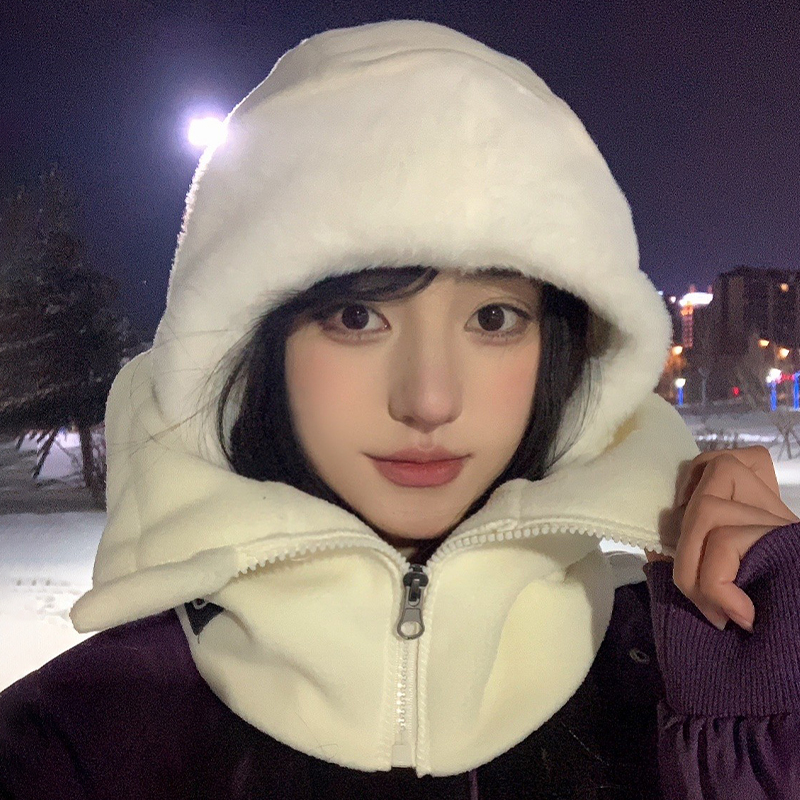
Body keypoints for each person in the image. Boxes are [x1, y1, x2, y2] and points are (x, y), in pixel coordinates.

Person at [1, 19, 799, 800]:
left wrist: (765, 721)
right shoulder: (77, 739)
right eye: (357, 317)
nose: (428, 400)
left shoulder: (685, 677)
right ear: (251, 344)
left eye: (493, 318)